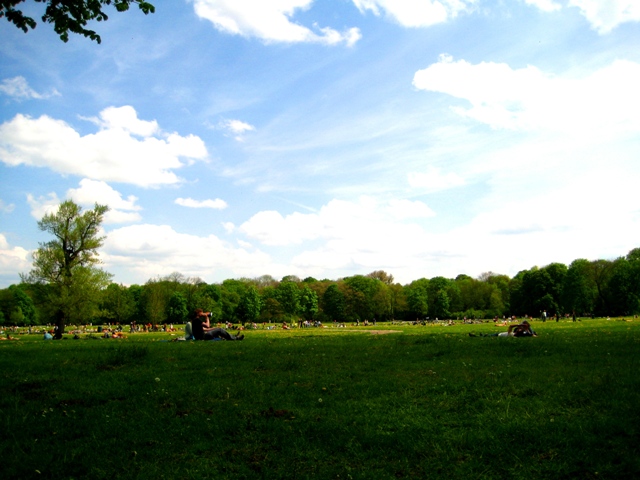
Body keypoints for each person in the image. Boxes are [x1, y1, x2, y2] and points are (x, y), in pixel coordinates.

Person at [469, 320, 537, 338]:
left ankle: (477, 336)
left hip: (498, 335)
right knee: (487, 336)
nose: (519, 329)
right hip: (499, 333)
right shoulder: (515, 334)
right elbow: (529, 332)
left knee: (487, 336)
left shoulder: (512, 335)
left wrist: (520, 325)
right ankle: (482, 335)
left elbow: (510, 326)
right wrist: (525, 327)